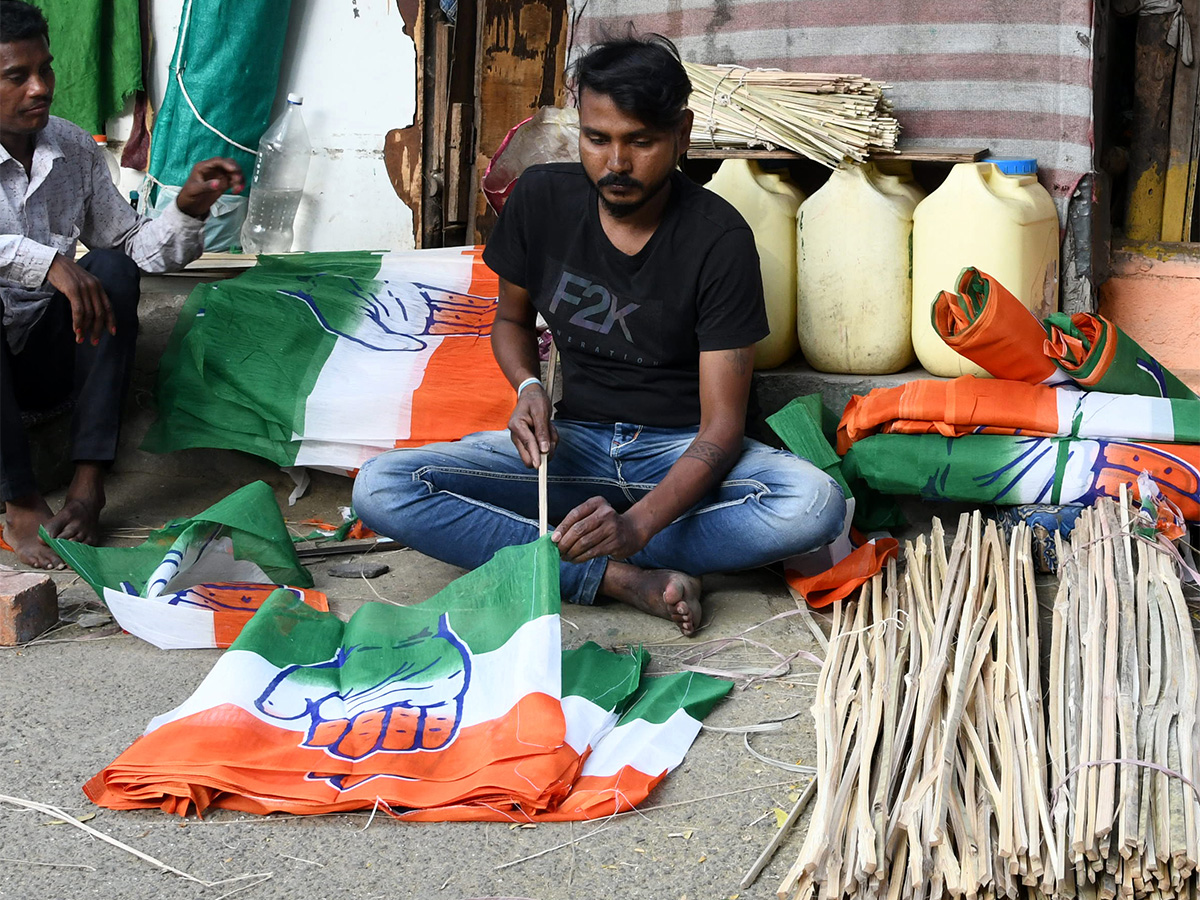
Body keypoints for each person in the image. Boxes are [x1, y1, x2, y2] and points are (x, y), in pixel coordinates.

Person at [353, 35, 845, 636]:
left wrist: (637, 525)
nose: (616, 163)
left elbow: (720, 431)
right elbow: (509, 322)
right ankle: (616, 578)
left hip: (680, 454)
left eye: (641, 141)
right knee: (383, 488)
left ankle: (583, 548)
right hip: (574, 448)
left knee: (813, 506)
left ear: (682, 134)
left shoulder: (718, 239)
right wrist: (529, 386)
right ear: (579, 130)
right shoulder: (540, 199)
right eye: (598, 138)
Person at [0, 0, 244, 568]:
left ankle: (88, 484)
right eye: (18, 76)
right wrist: (49, 264)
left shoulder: (72, 147)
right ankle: (20, 497)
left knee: (110, 268)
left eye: (47, 70)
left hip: (44, 360)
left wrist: (186, 208)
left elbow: (133, 247)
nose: (40, 88)